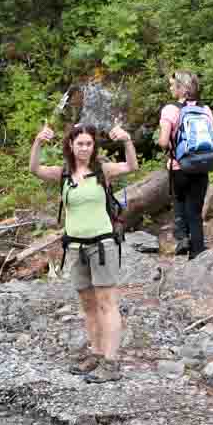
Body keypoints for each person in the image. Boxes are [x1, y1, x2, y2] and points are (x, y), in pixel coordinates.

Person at [30, 122, 138, 383]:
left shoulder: (103, 170)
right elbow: (34, 169)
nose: (85, 148)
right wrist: (38, 142)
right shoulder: (64, 173)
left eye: (89, 143)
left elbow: (131, 167)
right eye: (80, 143)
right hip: (76, 247)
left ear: (94, 146)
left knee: (106, 302)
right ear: (70, 145)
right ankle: (96, 353)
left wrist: (126, 141)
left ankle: (111, 363)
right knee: (88, 305)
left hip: (102, 245)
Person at [157, 71, 213, 259]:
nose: (171, 88)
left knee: (180, 202)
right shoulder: (205, 109)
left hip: (179, 167)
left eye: (173, 85)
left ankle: (182, 237)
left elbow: (164, 141)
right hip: (202, 165)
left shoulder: (170, 110)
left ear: (182, 88)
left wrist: (167, 145)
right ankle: (197, 249)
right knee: (195, 211)